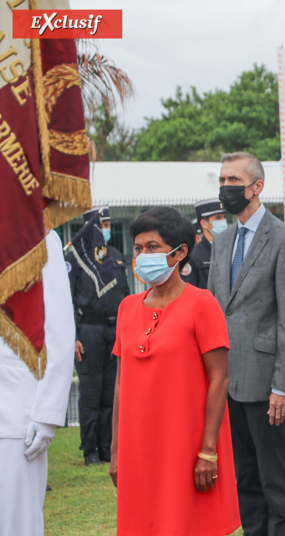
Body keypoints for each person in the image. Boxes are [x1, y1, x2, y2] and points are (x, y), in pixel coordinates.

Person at [110, 207, 239, 536]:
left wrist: (208, 451)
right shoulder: (126, 308)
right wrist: (116, 451)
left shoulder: (201, 303)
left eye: (152, 247)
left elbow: (219, 379)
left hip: (185, 445)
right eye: (138, 249)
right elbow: (121, 384)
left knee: (187, 523)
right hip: (138, 447)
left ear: (179, 252)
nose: (142, 256)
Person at [208, 151, 285, 536]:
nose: (226, 188)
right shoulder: (222, 242)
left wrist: (283, 387)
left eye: (234, 181)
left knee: (276, 482)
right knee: (245, 480)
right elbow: (214, 309)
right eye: (222, 181)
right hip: (227, 382)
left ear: (257, 186)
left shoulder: (284, 238)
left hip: (267, 385)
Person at [0, 231, 74, 536]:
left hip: (14, 408)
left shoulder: (37, 233)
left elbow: (59, 328)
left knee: (16, 522)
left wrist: (47, 412)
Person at [66, 206, 129, 465]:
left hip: (114, 330)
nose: (106, 228)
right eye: (101, 224)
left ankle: (107, 446)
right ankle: (90, 450)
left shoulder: (114, 255)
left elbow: (125, 294)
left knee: (110, 394)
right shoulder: (73, 256)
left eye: (108, 223)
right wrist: (73, 335)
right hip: (88, 330)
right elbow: (66, 299)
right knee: (91, 393)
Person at [182, 199, 227, 289]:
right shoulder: (193, 256)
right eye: (218, 218)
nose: (223, 221)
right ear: (204, 223)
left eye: (224, 217)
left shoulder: (230, 249)